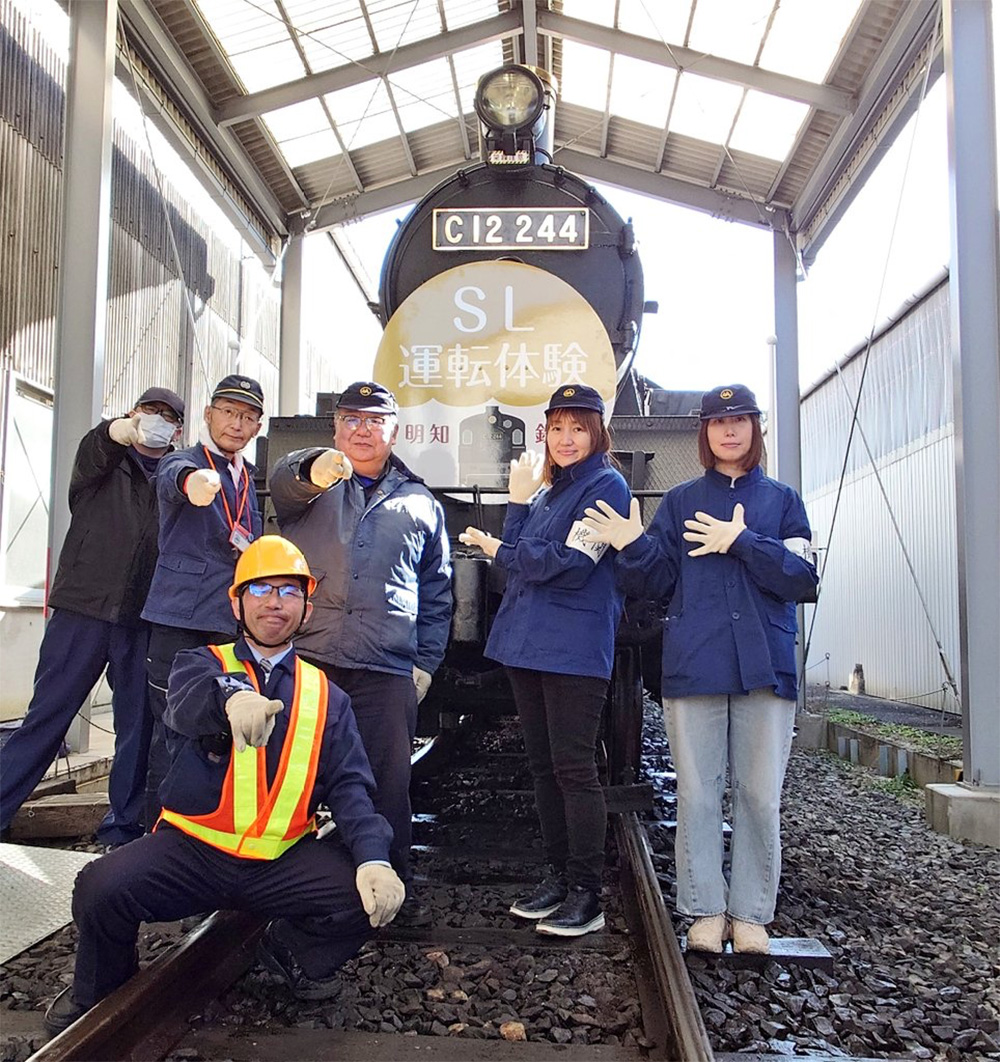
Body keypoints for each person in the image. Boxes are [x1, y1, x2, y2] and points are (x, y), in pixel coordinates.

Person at [43, 535, 404, 1034]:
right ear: (236, 603)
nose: (274, 602)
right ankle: (100, 989)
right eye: (260, 589)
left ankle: (290, 952)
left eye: (289, 591)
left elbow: (350, 789)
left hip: (281, 861)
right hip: (194, 853)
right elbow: (188, 701)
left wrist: (374, 859)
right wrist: (231, 699)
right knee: (99, 887)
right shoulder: (200, 663)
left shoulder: (328, 697)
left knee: (367, 900)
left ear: (306, 609)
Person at [582, 384, 818, 954]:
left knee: (759, 796)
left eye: (740, 420)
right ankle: (705, 909)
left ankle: (752, 913)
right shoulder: (681, 501)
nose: (729, 430)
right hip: (697, 663)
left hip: (766, 667)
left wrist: (744, 542)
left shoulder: (783, 501)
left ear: (755, 429)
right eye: (717, 422)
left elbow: (802, 580)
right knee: (699, 794)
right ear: (705, 434)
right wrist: (631, 544)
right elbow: (655, 581)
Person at [270, 381, 452, 927]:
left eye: (374, 421)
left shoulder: (421, 502)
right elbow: (285, 479)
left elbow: (437, 591)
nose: (362, 430)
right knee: (293, 776)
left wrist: (424, 663)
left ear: (394, 432)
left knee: (387, 784)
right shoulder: (312, 487)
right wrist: (313, 467)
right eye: (351, 419)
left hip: (385, 665)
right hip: (312, 658)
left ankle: (392, 891)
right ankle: (281, 887)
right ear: (335, 430)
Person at [459, 384, 631, 937]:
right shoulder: (551, 490)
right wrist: (516, 504)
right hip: (528, 644)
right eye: (557, 428)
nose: (566, 438)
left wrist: (499, 548)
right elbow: (518, 561)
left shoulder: (607, 485)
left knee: (574, 769)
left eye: (578, 428)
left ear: (598, 433)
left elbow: (571, 564)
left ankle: (586, 893)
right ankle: (557, 876)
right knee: (543, 767)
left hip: (573, 648)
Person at [0, 387, 185, 846]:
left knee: (136, 729)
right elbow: (95, 448)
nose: (157, 421)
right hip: (82, 608)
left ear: (178, 430)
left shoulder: (177, 477)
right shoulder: (102, 461)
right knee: (47, 716)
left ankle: (121, 831)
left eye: (168, 416)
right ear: (132, 414)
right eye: (150, 411)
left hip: (141, 618)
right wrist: (112, 432)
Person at [141, 375, 265, 828]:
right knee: (170, 728)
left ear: (257, 428)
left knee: (214, 728)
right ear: (209, 414)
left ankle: (203, 829)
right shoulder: (187, 461)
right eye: (228, 412)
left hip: (225, 623)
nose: (236, 423)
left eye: (247, 416)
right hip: (179, 620)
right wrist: (192, 481)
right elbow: (171, 476)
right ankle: (157, 833)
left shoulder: (246, 476)